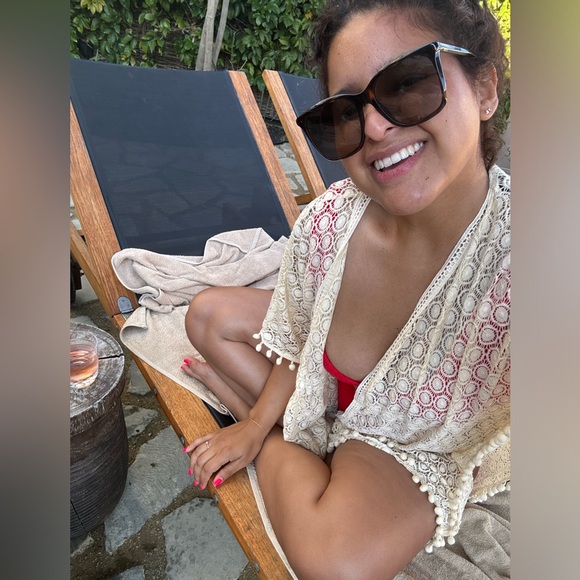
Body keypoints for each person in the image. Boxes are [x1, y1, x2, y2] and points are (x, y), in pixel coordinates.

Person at [181, 0, 510, 577]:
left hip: (404, 442)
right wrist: (256, 425)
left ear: (484, 89)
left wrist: (254, 427)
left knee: (336, 563)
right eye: (348, 112)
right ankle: (282, 426)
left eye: (408, 83)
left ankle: (267, 425)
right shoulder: (332, 220)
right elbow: (300, 338)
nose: (376, 128)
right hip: (327, 387)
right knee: (206, 315)